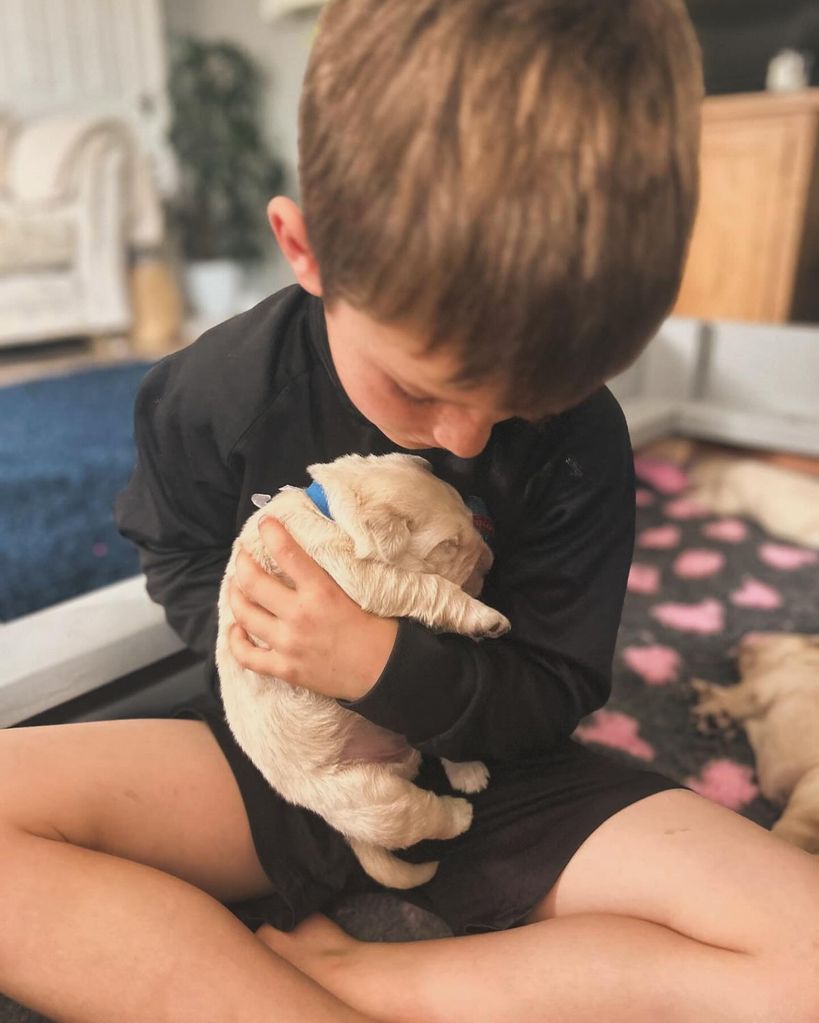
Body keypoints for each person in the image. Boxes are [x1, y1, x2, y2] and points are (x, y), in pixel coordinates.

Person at [2, 2, 818, 1021]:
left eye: (530, 400)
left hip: (497, 780)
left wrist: (385, 670)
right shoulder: (208, 394)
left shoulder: (585, 442)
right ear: (303, 252)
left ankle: (375, 979)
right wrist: (279, 650)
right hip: (276, 767)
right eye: (420, 388)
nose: (469, 440)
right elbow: (178, 553)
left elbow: (553, 687)